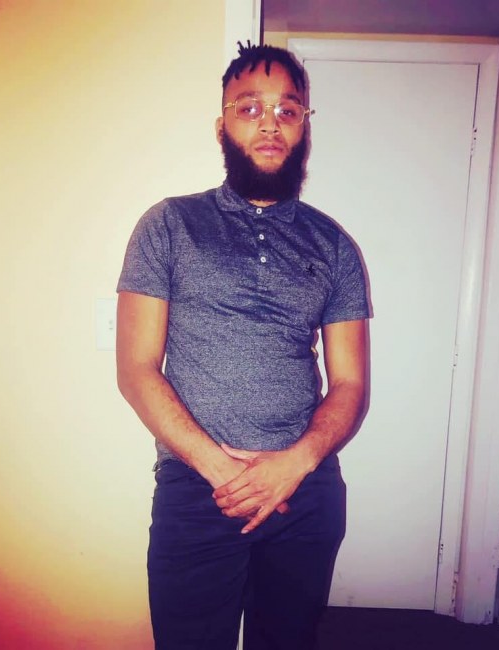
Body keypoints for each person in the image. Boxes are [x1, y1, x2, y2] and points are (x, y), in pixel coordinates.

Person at [116, 41, 369, 650]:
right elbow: (136, 368)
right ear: (222, 124)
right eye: (250, 108)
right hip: (196, 491)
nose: (270, 124)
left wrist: (295, 463)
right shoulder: (169, 225)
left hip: (304, 492)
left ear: (304, 127)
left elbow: (351, 383)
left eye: (288, 110)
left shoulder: (334, 245)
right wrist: (221, 471)